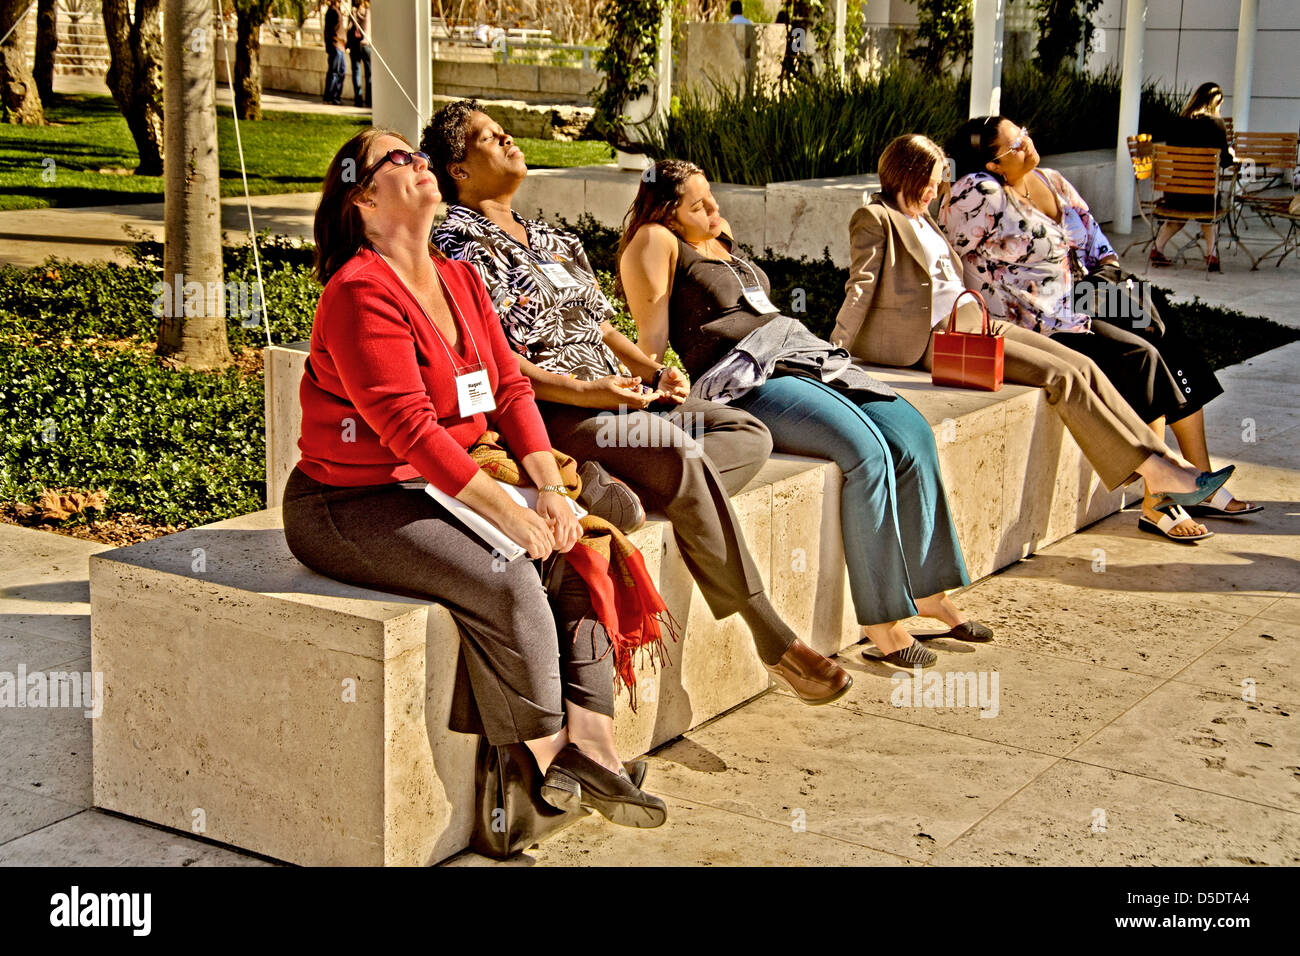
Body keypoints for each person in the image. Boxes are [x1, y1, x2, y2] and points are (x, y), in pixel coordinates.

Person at [283, 127, 667, 830]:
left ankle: (595, 747)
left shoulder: (457, 278)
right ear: (362, 199)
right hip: (352, 500)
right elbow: (410, 430)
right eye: (398, 158)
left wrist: (549, 490)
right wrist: (510, 514)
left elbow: (512, 391)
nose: (419, 162)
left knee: (583, 545)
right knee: (510, 570)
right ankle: (539, 755)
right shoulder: (359, 292)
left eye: (418, 153)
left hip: (443, 480)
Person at [423, 100, 854, 700]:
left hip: (622, 398)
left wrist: (653, 371)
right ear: (459, 170)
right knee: (683, 457)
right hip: (559, 411)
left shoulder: (552, 235)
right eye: (490, 139)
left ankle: (617, 488)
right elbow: (491, 353)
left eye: (504, 131)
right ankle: (772, 636)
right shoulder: (456, 240)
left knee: (748, 433)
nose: (509, 140)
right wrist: (586, 390)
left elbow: (598, 325)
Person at [619, 159, 995, 670]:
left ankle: (928, 591)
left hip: (800, 353)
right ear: (666, 210)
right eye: (698, 205)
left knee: (913, 434)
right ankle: (882, 620)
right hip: (745, 377)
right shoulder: (655, 242)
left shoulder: (719, 234)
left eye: (712, 197)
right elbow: (653, 338)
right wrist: (652, 389)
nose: (714, 208)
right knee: (866, 453)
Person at [834, 134, 1236, 542]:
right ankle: (1157, 472)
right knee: (1058, 376)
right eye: (933, 181)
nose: (938, 191)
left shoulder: (925, 217)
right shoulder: (875, 217)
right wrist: (835, 351)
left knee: (1082, 364)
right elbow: (861, 287)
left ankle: (1164, 459)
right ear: (909, 175)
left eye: (941, 181)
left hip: (977, 321)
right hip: (935, 340)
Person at [940, 116, 1256, 539]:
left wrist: (1105, 276)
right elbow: (946, 250)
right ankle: (1161, 498)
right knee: (1144, 352)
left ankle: (1198, 474)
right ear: (992, 164)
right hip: (1042, 312)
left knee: (1166, 333)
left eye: (1025, 134)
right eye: (1016, 144)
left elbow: (1098, 244)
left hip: (1087, 293)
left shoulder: (1052, 181)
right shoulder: (981, 195)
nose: (1028, 143)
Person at [1150, 82, 1235, 271]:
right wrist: (1229, 152)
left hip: (1175, 193)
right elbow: (1225, 162)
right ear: (1215, 104)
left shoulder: (1177, 123)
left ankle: (1158, 248)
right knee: (1208, 212)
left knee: (1181, 213)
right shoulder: (1217, 124)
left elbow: (1171, 154)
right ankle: (1211, 255)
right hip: (1204, 195)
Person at [346, 0, 372, 108]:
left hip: (355, 45)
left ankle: (358, 99)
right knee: (369, 73)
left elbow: (349, 28)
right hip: (366, 45)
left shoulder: (353, 12)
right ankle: (369, 100)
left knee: (356, 72)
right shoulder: (369, 11)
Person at [322, 0, 346, 106]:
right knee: (334, 72)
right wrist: (333, 42)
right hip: (336, 45)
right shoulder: (332, 11)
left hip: (341, 47)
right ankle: (329, 97)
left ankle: (336, 96)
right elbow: (329, 31)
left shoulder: (337, 10)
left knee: (341, 72)